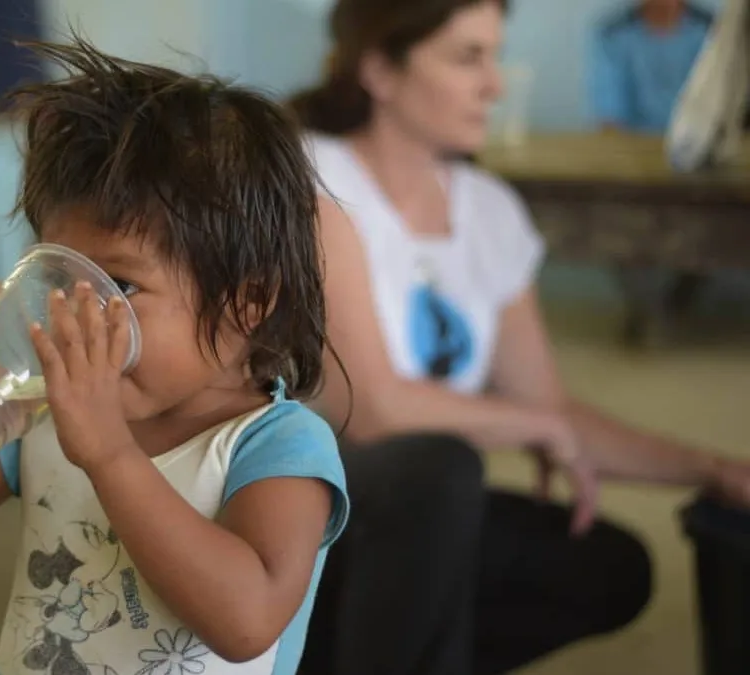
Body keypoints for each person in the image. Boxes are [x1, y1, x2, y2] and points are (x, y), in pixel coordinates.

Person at [289, 1, 750, 674]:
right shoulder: (314, 179)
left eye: (494, 56)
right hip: (305, 507)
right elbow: (375, 410)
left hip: (420, 522)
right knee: (439, 467)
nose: (495, 84)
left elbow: (549, 411)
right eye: (467, 57)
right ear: (381, 70)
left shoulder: (488, 209)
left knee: (608, 564)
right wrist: (527, 423)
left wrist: (715, 470)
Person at [0, 37, 349, 675]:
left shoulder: (278, 446)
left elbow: (247, 622)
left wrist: (109, 454)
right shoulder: (43, 414)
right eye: (60, 277)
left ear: (248, 302)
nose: (78, 317)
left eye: (120, 287)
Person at [589, 0, 714, 133]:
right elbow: (609, 119)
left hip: (702, 144)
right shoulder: (613, 33)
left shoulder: (714, 30)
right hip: (633, 146)